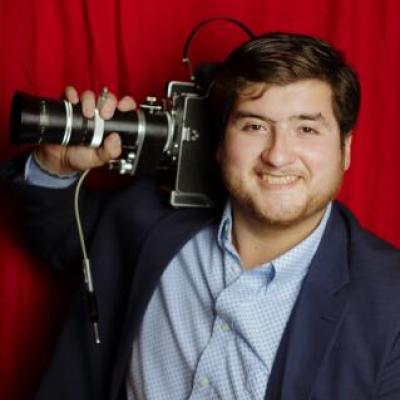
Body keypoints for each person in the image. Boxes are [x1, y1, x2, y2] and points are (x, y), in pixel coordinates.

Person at [4, 32, 400, 400]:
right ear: (219, 142)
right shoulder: (146, 218)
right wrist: (55, 165)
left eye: (307, 130)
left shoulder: (390, 303)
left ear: (345, 149)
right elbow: (54, 231)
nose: (278, 155)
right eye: (254, 125)